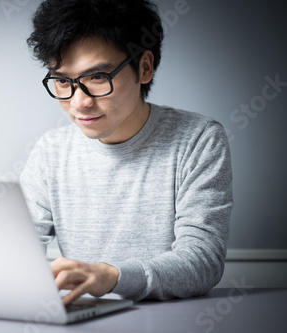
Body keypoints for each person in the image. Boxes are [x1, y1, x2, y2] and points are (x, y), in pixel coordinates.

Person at [19, 0, 233, 305]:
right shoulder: (50, 152)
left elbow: (202, 262)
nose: (79, 102)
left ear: (144, 67)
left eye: (97, 77)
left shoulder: (198, 139)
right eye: (64, 81)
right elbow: (16, 256)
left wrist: (113, 277)